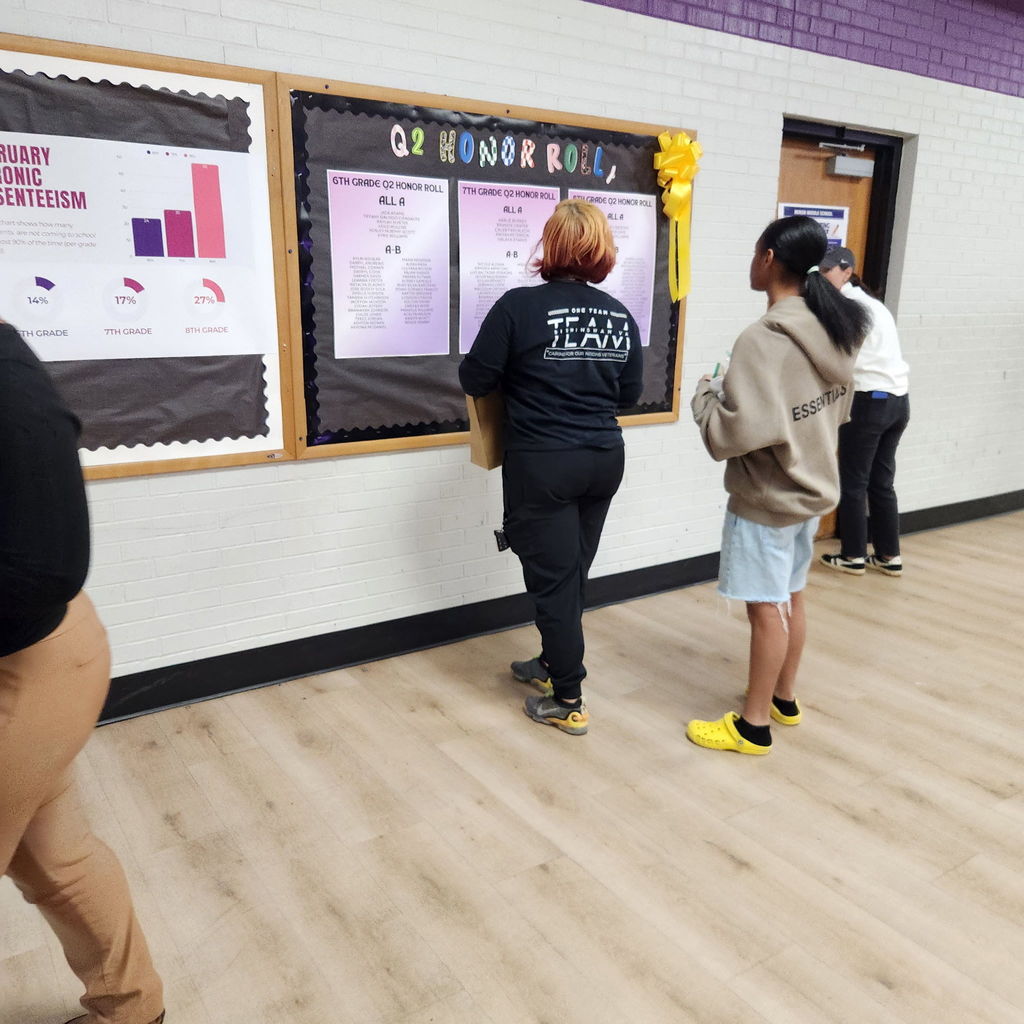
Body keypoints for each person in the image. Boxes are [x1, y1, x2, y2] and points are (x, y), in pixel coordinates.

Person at [0, 317, 165, 1024]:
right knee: (55, 860)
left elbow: (46, 567)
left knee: (59, 860)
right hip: (41, 658)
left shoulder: (5, 377)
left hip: (29, 659)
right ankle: (131, 1009)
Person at [687, 216, 870, 755]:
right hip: (812, 486)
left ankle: (752, 727)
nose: (751, 262)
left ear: (768, 260)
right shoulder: (834, 326)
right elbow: (830, 411)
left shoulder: (764, 337)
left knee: (764, 609)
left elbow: (733, 434)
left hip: (768, 496)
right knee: (791, 596)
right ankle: (783, 699)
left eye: (754, 252)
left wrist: (705, 396)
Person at [459, 199, 643, 736]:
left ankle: (567, 697)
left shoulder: (518, 307)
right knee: (570, 573)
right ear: (602, 252)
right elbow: (628, 393)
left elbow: (476, 379)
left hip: (544, 463)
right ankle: (549, 661)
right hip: (603, 460)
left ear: (550, 247)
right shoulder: (618, 314)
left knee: (554, 580)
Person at [817, 246, 910, 577]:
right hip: (898, 401)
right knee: (881, 482)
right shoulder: (873, 304)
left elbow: (836, 359)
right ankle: (888, 555)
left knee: (854, 481)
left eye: (828, 271)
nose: (822, 277)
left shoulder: (851, 307)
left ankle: (854, 554)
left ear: (846, 270)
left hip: (870, 402)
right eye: (819, 272)